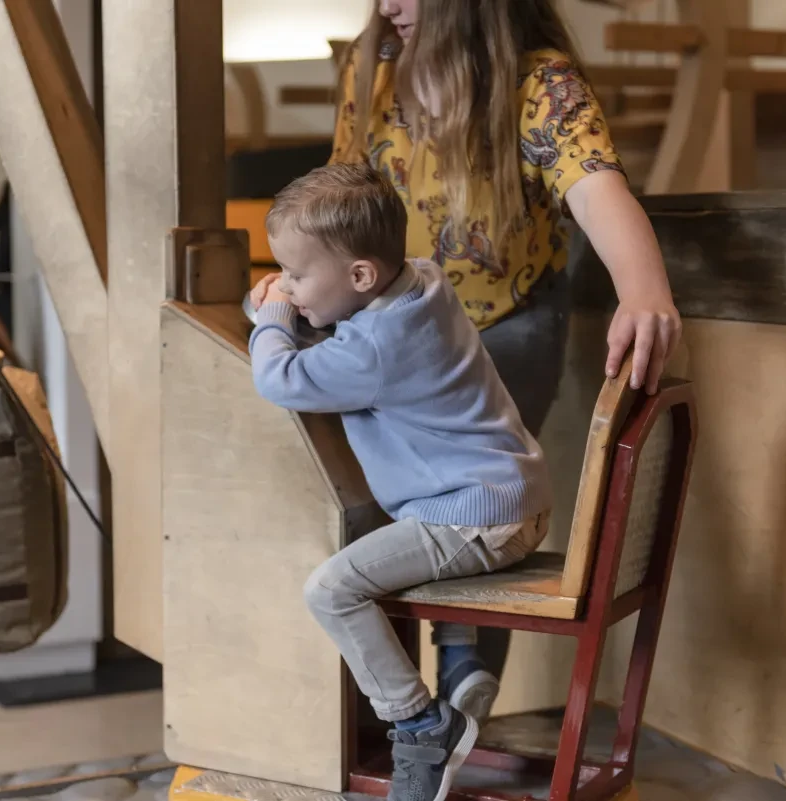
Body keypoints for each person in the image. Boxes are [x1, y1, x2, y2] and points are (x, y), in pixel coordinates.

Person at [324, 0, 682, 715]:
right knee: (378, 499)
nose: (387, 5)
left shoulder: (539, 84)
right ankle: (385, 715)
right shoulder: (371, 75)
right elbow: (336, 206)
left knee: (475, 497)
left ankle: (462, 696)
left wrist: (643, 288)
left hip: (503, 325)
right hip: (394, 332)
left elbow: (596, 186)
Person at [250, 162, 551, 801]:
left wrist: (273, 320)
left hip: (472, 517)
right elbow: (349, 317)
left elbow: (280, 381)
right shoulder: (422, 280)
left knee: (333, 589)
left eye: (298, 275)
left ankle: (420, 726)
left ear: (360, 276)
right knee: (403, 533)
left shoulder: (371, 352)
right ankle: (463, 656)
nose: (288, 286)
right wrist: (298, 302)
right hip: (512, 498)